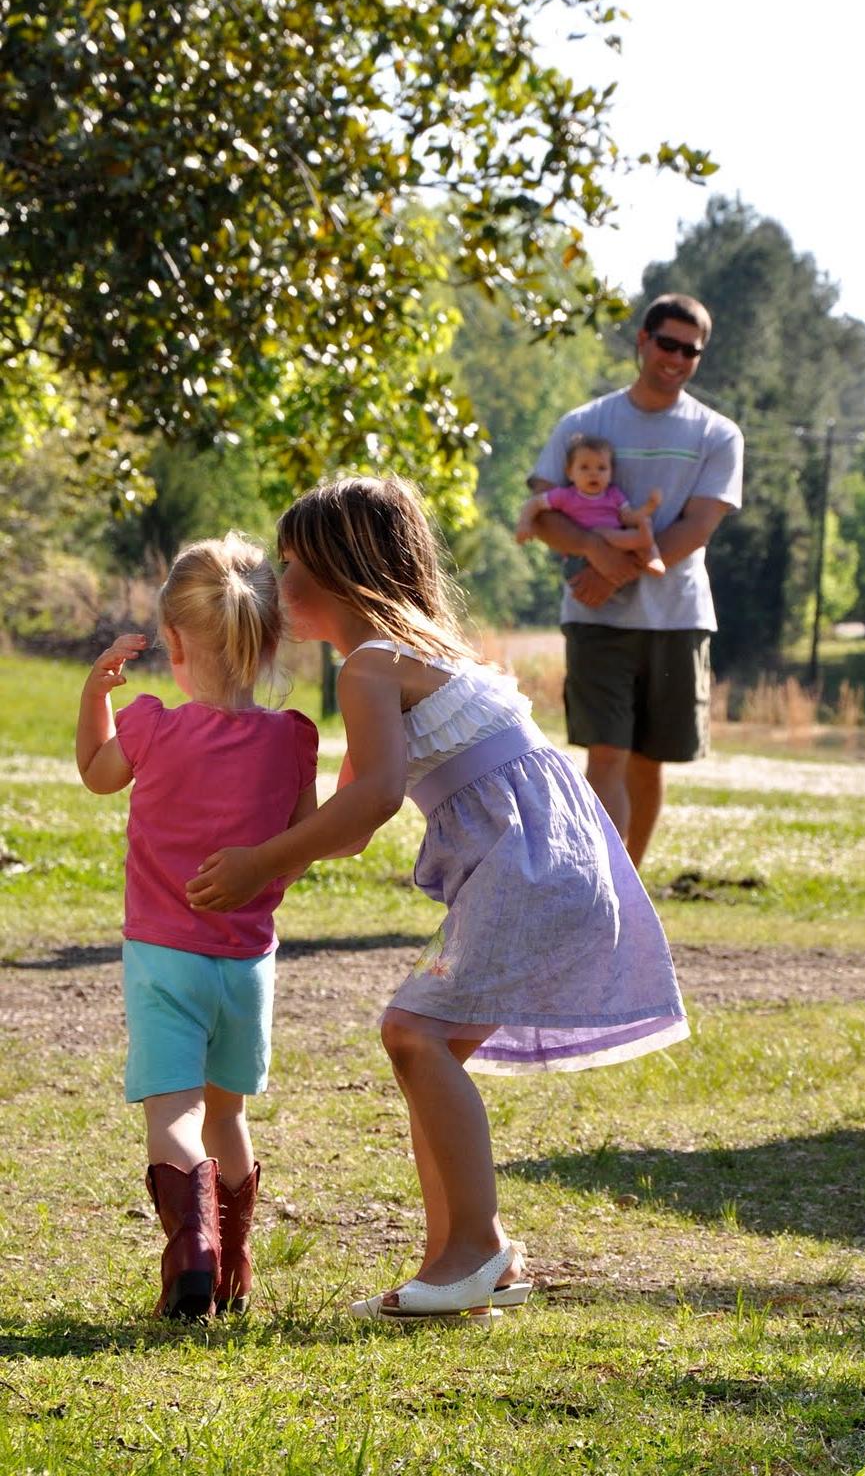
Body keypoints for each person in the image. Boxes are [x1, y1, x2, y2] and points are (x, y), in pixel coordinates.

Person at [186, 476, 689, 1324]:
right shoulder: (409, 656)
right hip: (550, 863)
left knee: (412, 1033)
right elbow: (346, 820)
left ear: (339, 572)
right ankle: (456, 1261)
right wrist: (260, 870)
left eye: (289, 563)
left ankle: (475, 1249)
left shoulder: (373, 666)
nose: (277, 583)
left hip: (528, 870)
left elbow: (377, 796)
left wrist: (259, 861)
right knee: (427, 1047)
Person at [75, 534, 318, 1320]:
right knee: (228, 1113)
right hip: (246, 963)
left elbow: (96, 772)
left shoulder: (148, 725)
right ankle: (235, 1260)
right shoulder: (292, 738)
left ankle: (192, 1252)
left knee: (172, 1115)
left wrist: (96, 694)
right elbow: (302, 838)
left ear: (173, 641)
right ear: (271, 638)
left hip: (160, 961)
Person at [528, 292, 743, 865]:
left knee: (650, 759)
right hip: (595, 617)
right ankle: (601, 888)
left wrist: (614, 573)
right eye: (667, 343)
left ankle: (632, 890)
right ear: (643, 341)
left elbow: (698, 525)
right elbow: (542, 511)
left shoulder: (717, 434)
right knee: (607, 752)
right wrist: (594, 552)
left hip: (677, 616)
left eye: (691, 350)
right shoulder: (585, 423)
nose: (677, 357)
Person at [515, 433, 665, 576]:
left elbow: (628, 518)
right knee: (605, 533)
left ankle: (653, 558)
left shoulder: (614, 495)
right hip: (582, 557)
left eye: (601, 468)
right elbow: (535, 502)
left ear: (611, 473)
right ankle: (640, 540)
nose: (593, 474)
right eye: (584, 467)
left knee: (642, 529)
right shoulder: (566, 496)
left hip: (619, 548)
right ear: (570, 473)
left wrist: (649, 506)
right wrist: (524, 523)